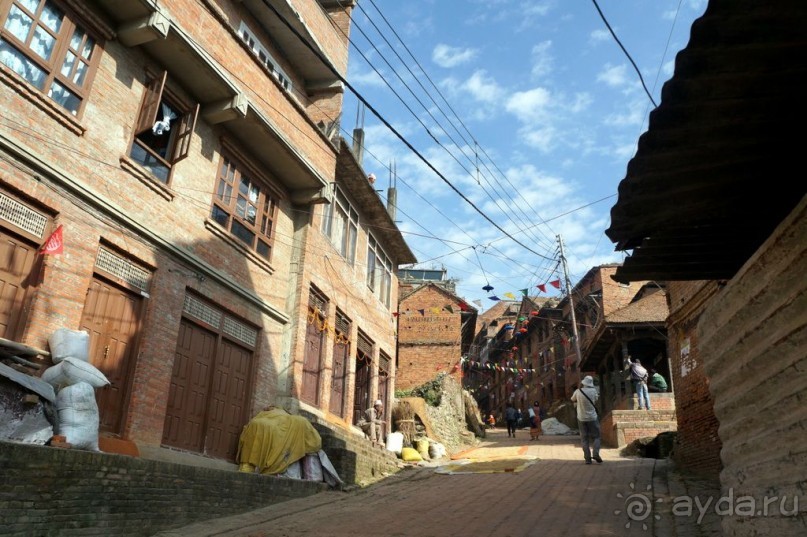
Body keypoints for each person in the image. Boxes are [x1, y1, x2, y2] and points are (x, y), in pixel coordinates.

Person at [571, 375, 602, 464]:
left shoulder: (578, 391)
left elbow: (572, 399)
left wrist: (578, 389)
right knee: (597, 436)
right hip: (592, 417)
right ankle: (596, 453)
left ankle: (587, 459)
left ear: (584, 382)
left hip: (581, 418)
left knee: (584, 438)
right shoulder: (593, 391)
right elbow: (596, 399)